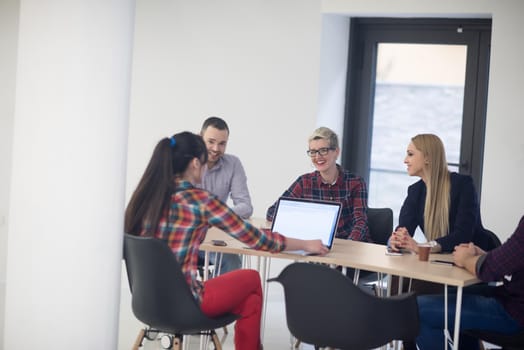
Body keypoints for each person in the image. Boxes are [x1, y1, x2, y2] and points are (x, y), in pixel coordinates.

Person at [124, 131, 328, 350]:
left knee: (250, 302)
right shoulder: (199, 200)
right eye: (203, 163)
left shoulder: (145, 199)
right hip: (186, 304)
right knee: (251, 278)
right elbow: (258, 240)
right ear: (195, 163)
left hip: (147, 304)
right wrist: (307, 244)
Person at [416, 215, 524, 350]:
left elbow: (490, 269)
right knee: (444, 294)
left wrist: (467, 259)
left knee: (416, 311)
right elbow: (511, 266)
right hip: (509, 297)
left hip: (515, 313)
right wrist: (483, 257)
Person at [389, 133, 493, 255]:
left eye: (410, 154)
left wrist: (425, 247)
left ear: (427, 158)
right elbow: (404, 228)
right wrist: (397, 240)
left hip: (474, 260)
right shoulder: (415, 191)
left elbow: (463, 235)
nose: (405, 160)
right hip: (441, 259)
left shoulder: (463, 185)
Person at [266, 126, 369, 242]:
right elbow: (272, 212)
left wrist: (347, 246)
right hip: (318, 248)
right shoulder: (304, 182)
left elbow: (360, 223)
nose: (317, 157)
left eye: (323, 150)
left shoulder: (356, 183)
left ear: (336, 152)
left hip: (350, 249)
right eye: (313, 152)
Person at [197, 116, 252, 274]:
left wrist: (216, 215)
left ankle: (219, 298)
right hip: (190, 236)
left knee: (232, 258)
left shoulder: (233, 164)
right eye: (211, 141)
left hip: (216, 235)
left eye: (222, 144)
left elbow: (246, 206)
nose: (216, 148)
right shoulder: (189, 163)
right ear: (200, 138)